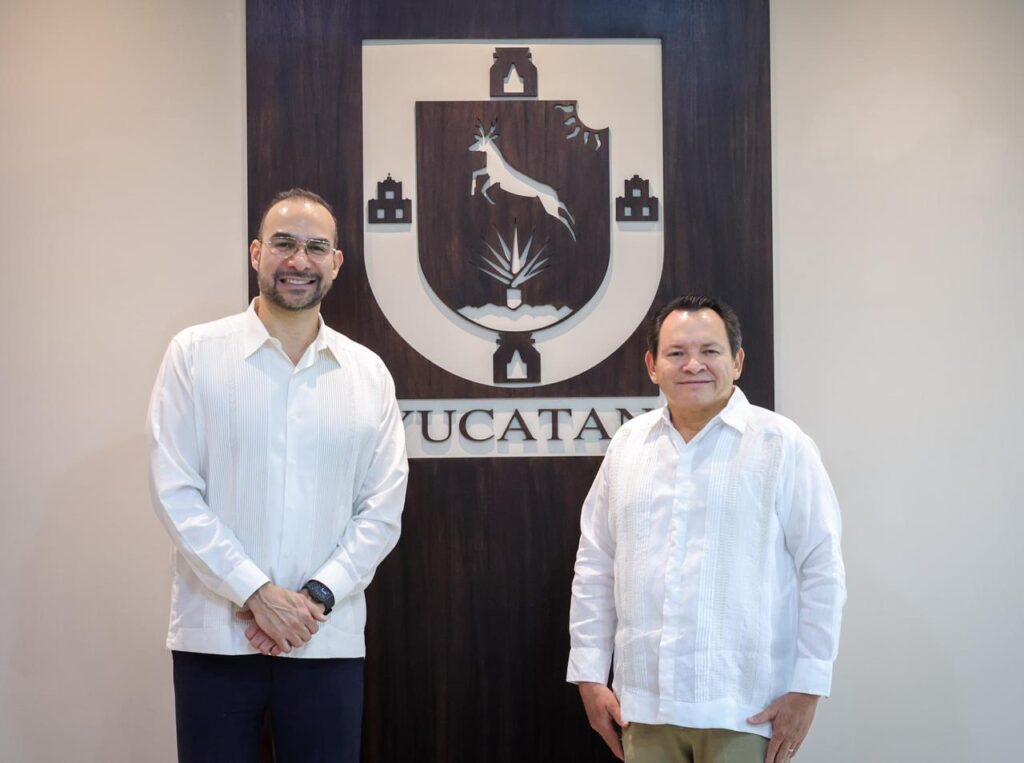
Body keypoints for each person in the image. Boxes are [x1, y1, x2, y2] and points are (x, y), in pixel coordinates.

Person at [147, 188, 408, 762]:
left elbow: (381, 510)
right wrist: (255, 592)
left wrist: (315, 598)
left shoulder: (368, 373)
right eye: (284, 243)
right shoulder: (194, 354)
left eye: (316, 248)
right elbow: (175, 491)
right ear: (256, 253)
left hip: (325, 638)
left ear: (336, 263)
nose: (299, 260)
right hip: (216, 637)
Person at [567, 295, 845, 763]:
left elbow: (822, 569)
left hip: (746, 708)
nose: (693, 364)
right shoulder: (628, 446)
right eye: (676, 353)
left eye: (710, 351)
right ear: (652, 366)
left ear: (737, 361)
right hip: (643, 708)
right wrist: (589, 675)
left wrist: (808, 688)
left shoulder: (781, 445)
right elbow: (596, 565)